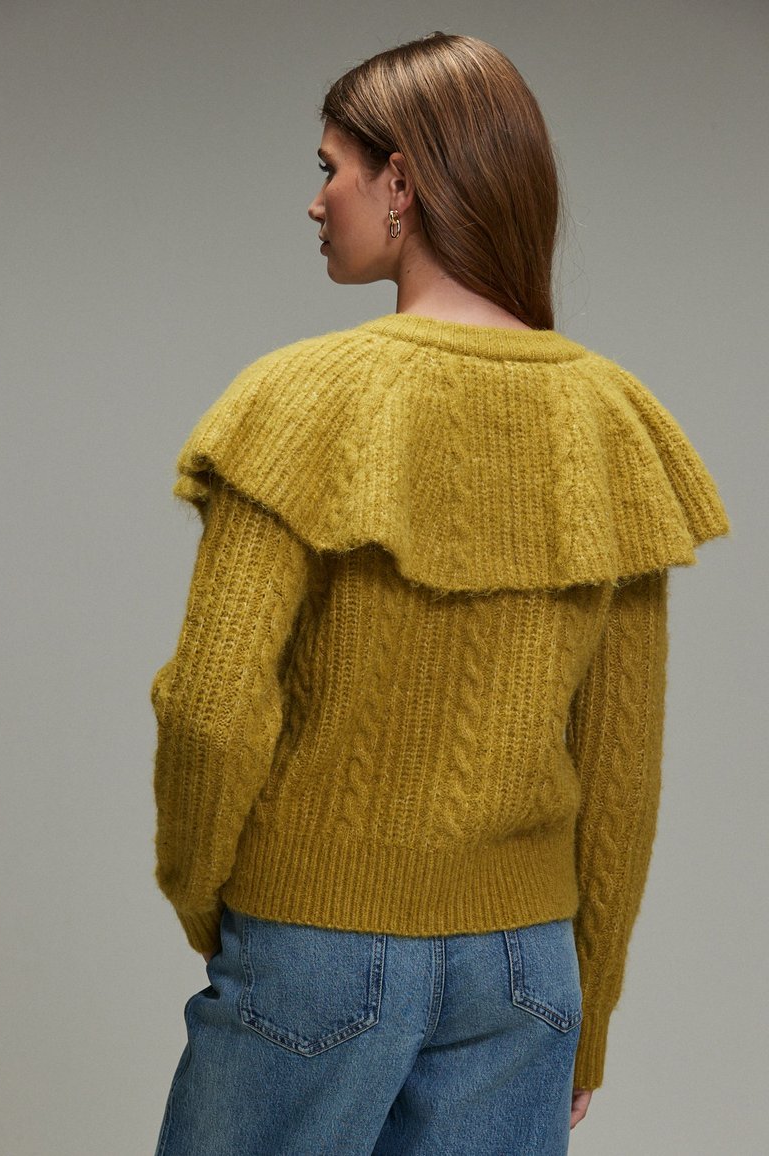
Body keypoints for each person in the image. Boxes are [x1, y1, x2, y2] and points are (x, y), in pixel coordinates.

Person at [150, 32, 730, 1156]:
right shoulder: (613, 421)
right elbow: (621, 768)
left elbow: (211, 706)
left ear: (401, 181)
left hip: (314, 931)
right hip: (526, 970)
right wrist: (590, 1009)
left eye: (330, 168)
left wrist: (207, 895)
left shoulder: (297, 401)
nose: (316, 200)